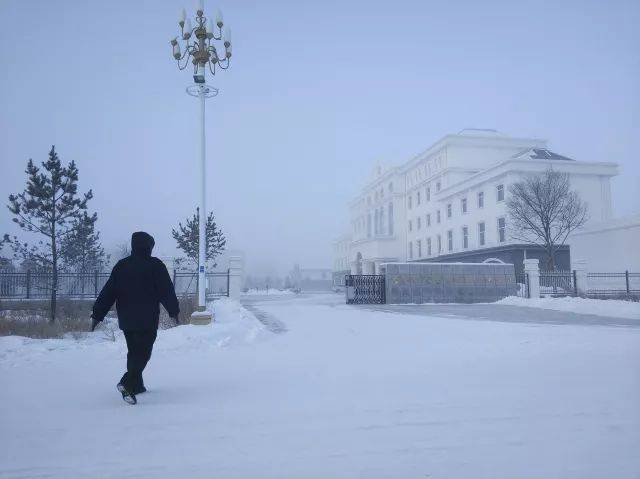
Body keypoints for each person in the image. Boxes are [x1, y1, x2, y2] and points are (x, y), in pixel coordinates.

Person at [91, 231, 180, 405]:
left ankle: (138, 385)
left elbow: (108, 292)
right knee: (143, 353)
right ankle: (127, 382)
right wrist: (174, 311)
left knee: (134, 352)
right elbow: (166, 290)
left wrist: (97, 314)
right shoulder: (155, 265)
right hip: (147, 318)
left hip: (126, 319)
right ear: (149, 246)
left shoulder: (121, 266)